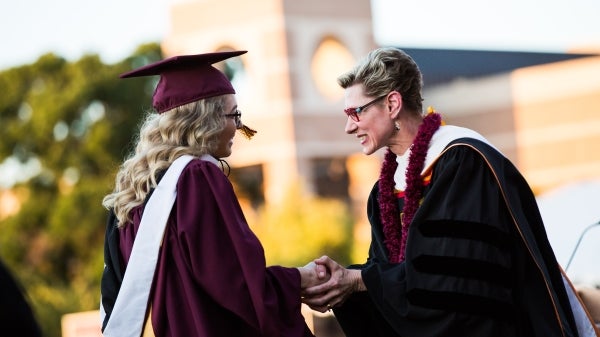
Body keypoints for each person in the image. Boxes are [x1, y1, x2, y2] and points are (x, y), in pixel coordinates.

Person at [302, 47, 599, 336]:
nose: (348, 128)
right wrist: (338, 283)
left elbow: (454, 285)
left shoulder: (464, 163)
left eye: (356, 112)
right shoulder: (384, 191)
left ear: (392, 104)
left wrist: (357, 280)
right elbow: (388, 273)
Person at [100, 50, 325, 337]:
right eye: (235, 114)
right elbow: (236, 284)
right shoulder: (197, 179)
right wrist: (297, 280)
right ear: (206, 119)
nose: (240, 126)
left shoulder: (134, 193)